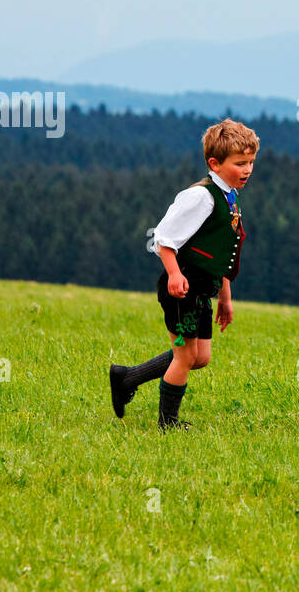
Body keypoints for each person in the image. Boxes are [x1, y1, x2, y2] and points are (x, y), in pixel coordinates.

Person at [109, 118, 257, 429]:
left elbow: (223, 255)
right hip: (182, 288)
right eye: (239, 163)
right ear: (214, 163)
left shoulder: (229, 197)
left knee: (200, 357)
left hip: (203, 290)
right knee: (186, 356)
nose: (247, 170)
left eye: (251, 162)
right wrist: (175, 275)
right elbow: (163, 238)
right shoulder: (201, 197)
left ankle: (127, 378)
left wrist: (225, 298)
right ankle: (168, 422)